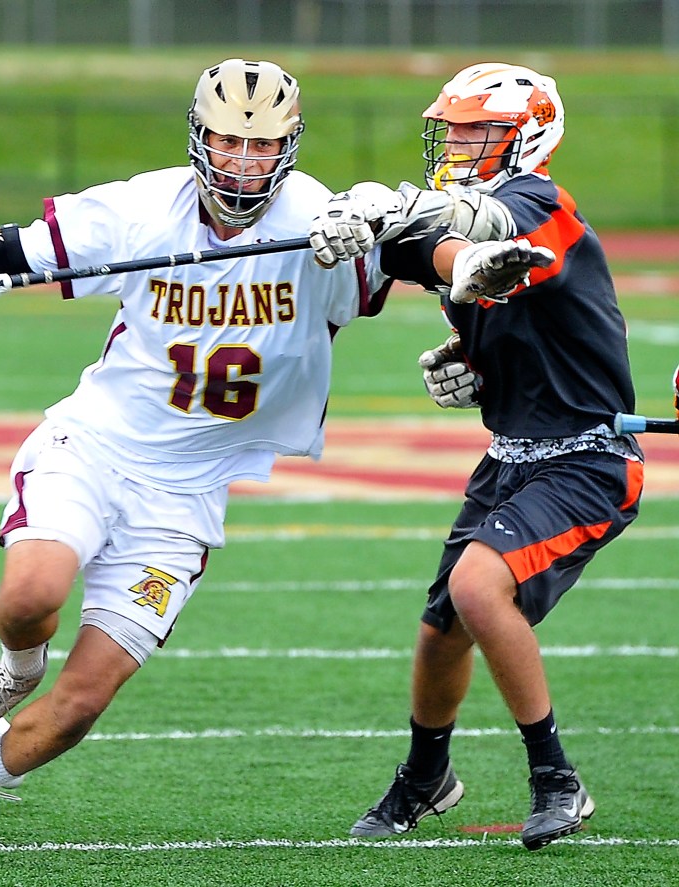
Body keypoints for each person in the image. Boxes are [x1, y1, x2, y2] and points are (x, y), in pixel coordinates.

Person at [0, 58, 546, 852]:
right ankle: (16, 667)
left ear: (289, 147)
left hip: (188, 495)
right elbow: (3, 251)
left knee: (83, 704)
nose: (244, 161)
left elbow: (423, 253)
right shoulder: (143, 206)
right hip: (98, 442)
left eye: (263, 146)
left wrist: (466, 270)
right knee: (31, 597)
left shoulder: (321, 219)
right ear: (200, 139)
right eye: (229, 142)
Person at [308, 62, 644, 851]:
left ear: (527, 133)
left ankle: (557, 776)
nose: (456, 142)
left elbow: (480, 224)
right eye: (451, 127)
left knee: (477, 584)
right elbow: (433, 254)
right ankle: (427, 775)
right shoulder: (462, 217)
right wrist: (472, 360)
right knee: (441, 631)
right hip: (512, 453)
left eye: (474, 129)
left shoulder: (540, 202)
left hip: (587, 459)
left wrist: (388, 205)